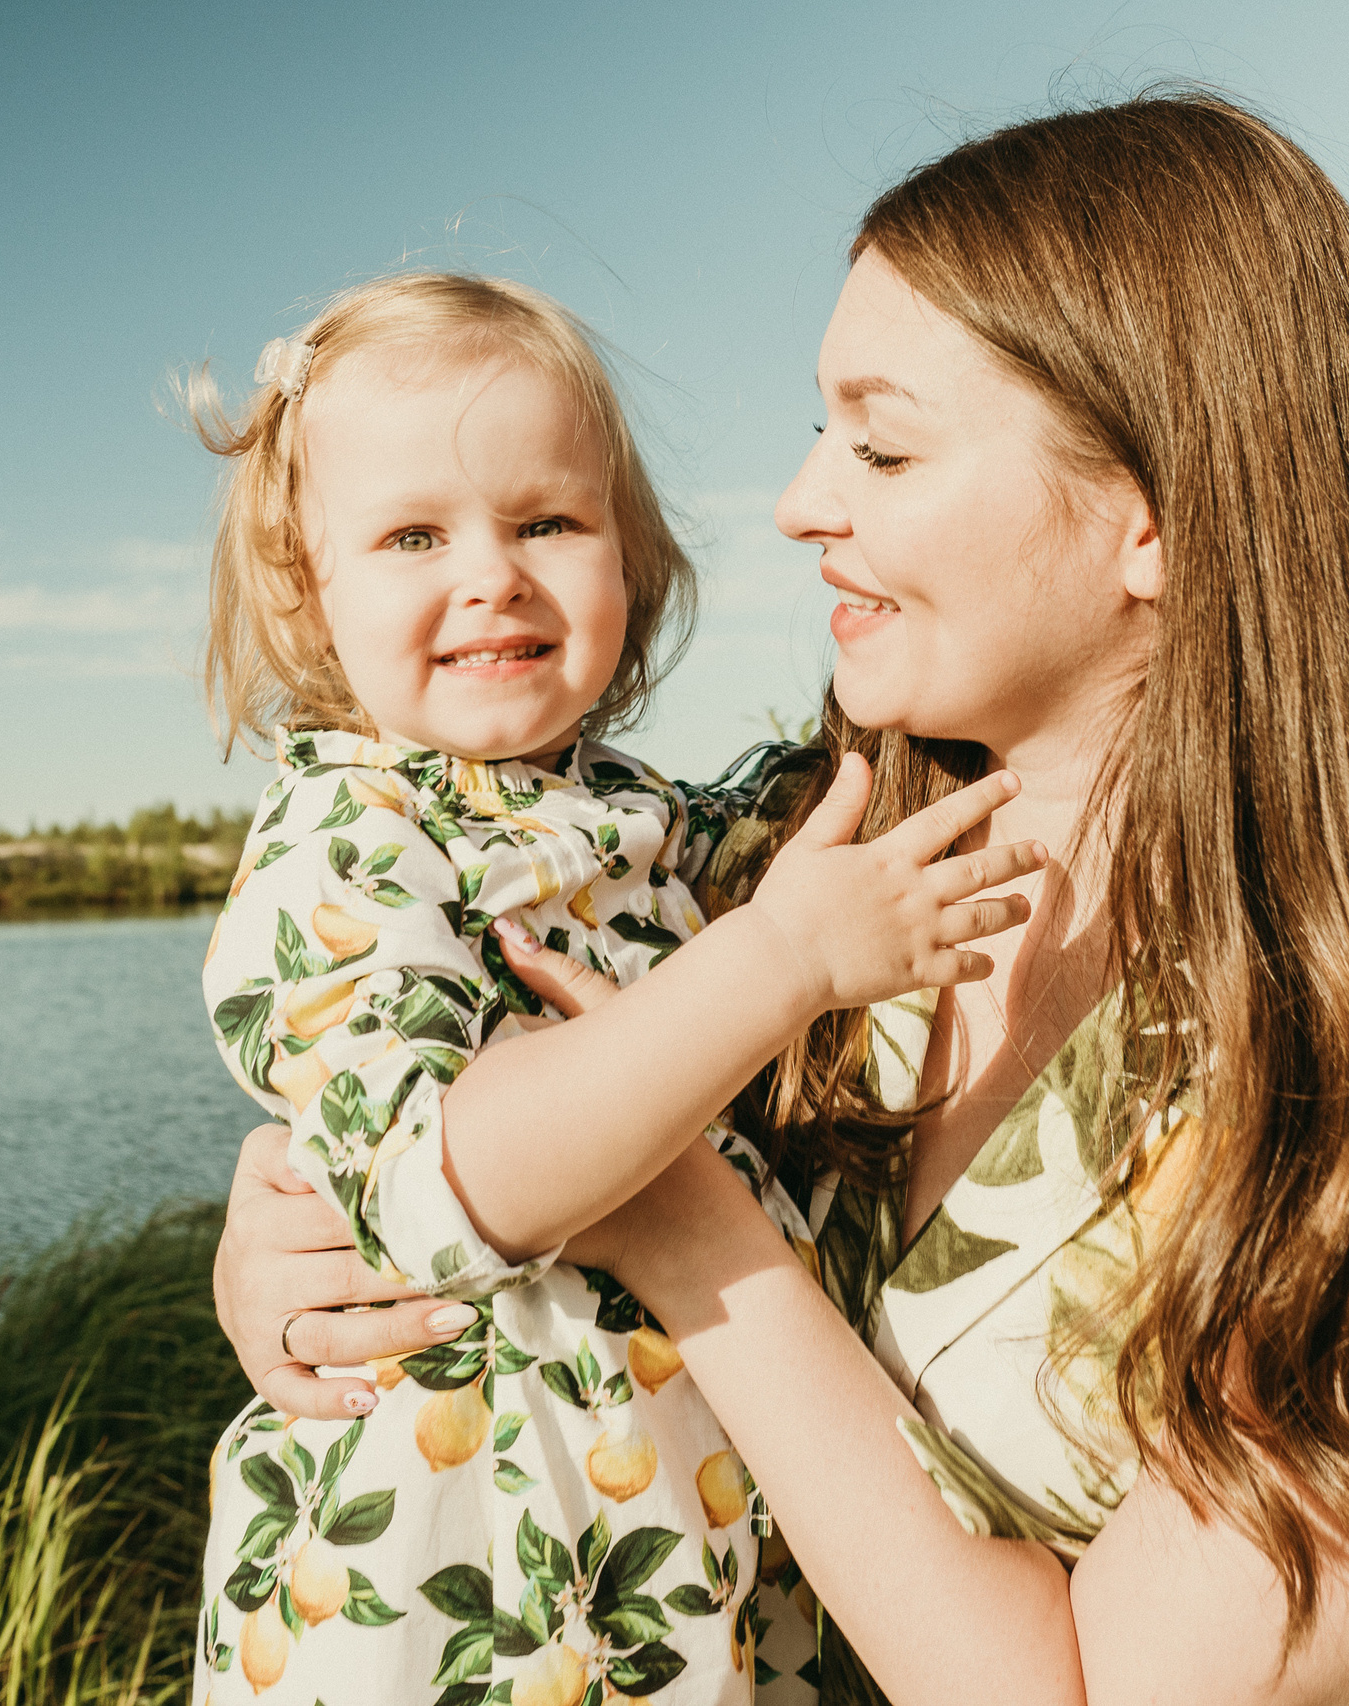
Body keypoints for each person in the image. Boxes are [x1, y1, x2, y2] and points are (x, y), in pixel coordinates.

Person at [207, 95, 1349, 1705]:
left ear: (1158, 517)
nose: (798, 503)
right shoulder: (802, 857)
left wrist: (669, 1211)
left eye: (884, 445)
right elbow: (448, 1102)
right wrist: (314, 1239)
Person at [183, 271, 1040, 1703]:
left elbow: (802, 829)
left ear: (628, 563)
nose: (492, 574)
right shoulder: (345, 845)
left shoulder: (625, 813)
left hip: (662, 1568)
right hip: (458, 1598)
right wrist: (784, 960)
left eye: (548, 523)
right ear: (308, 594)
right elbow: (455, 1184)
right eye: (412, 535)